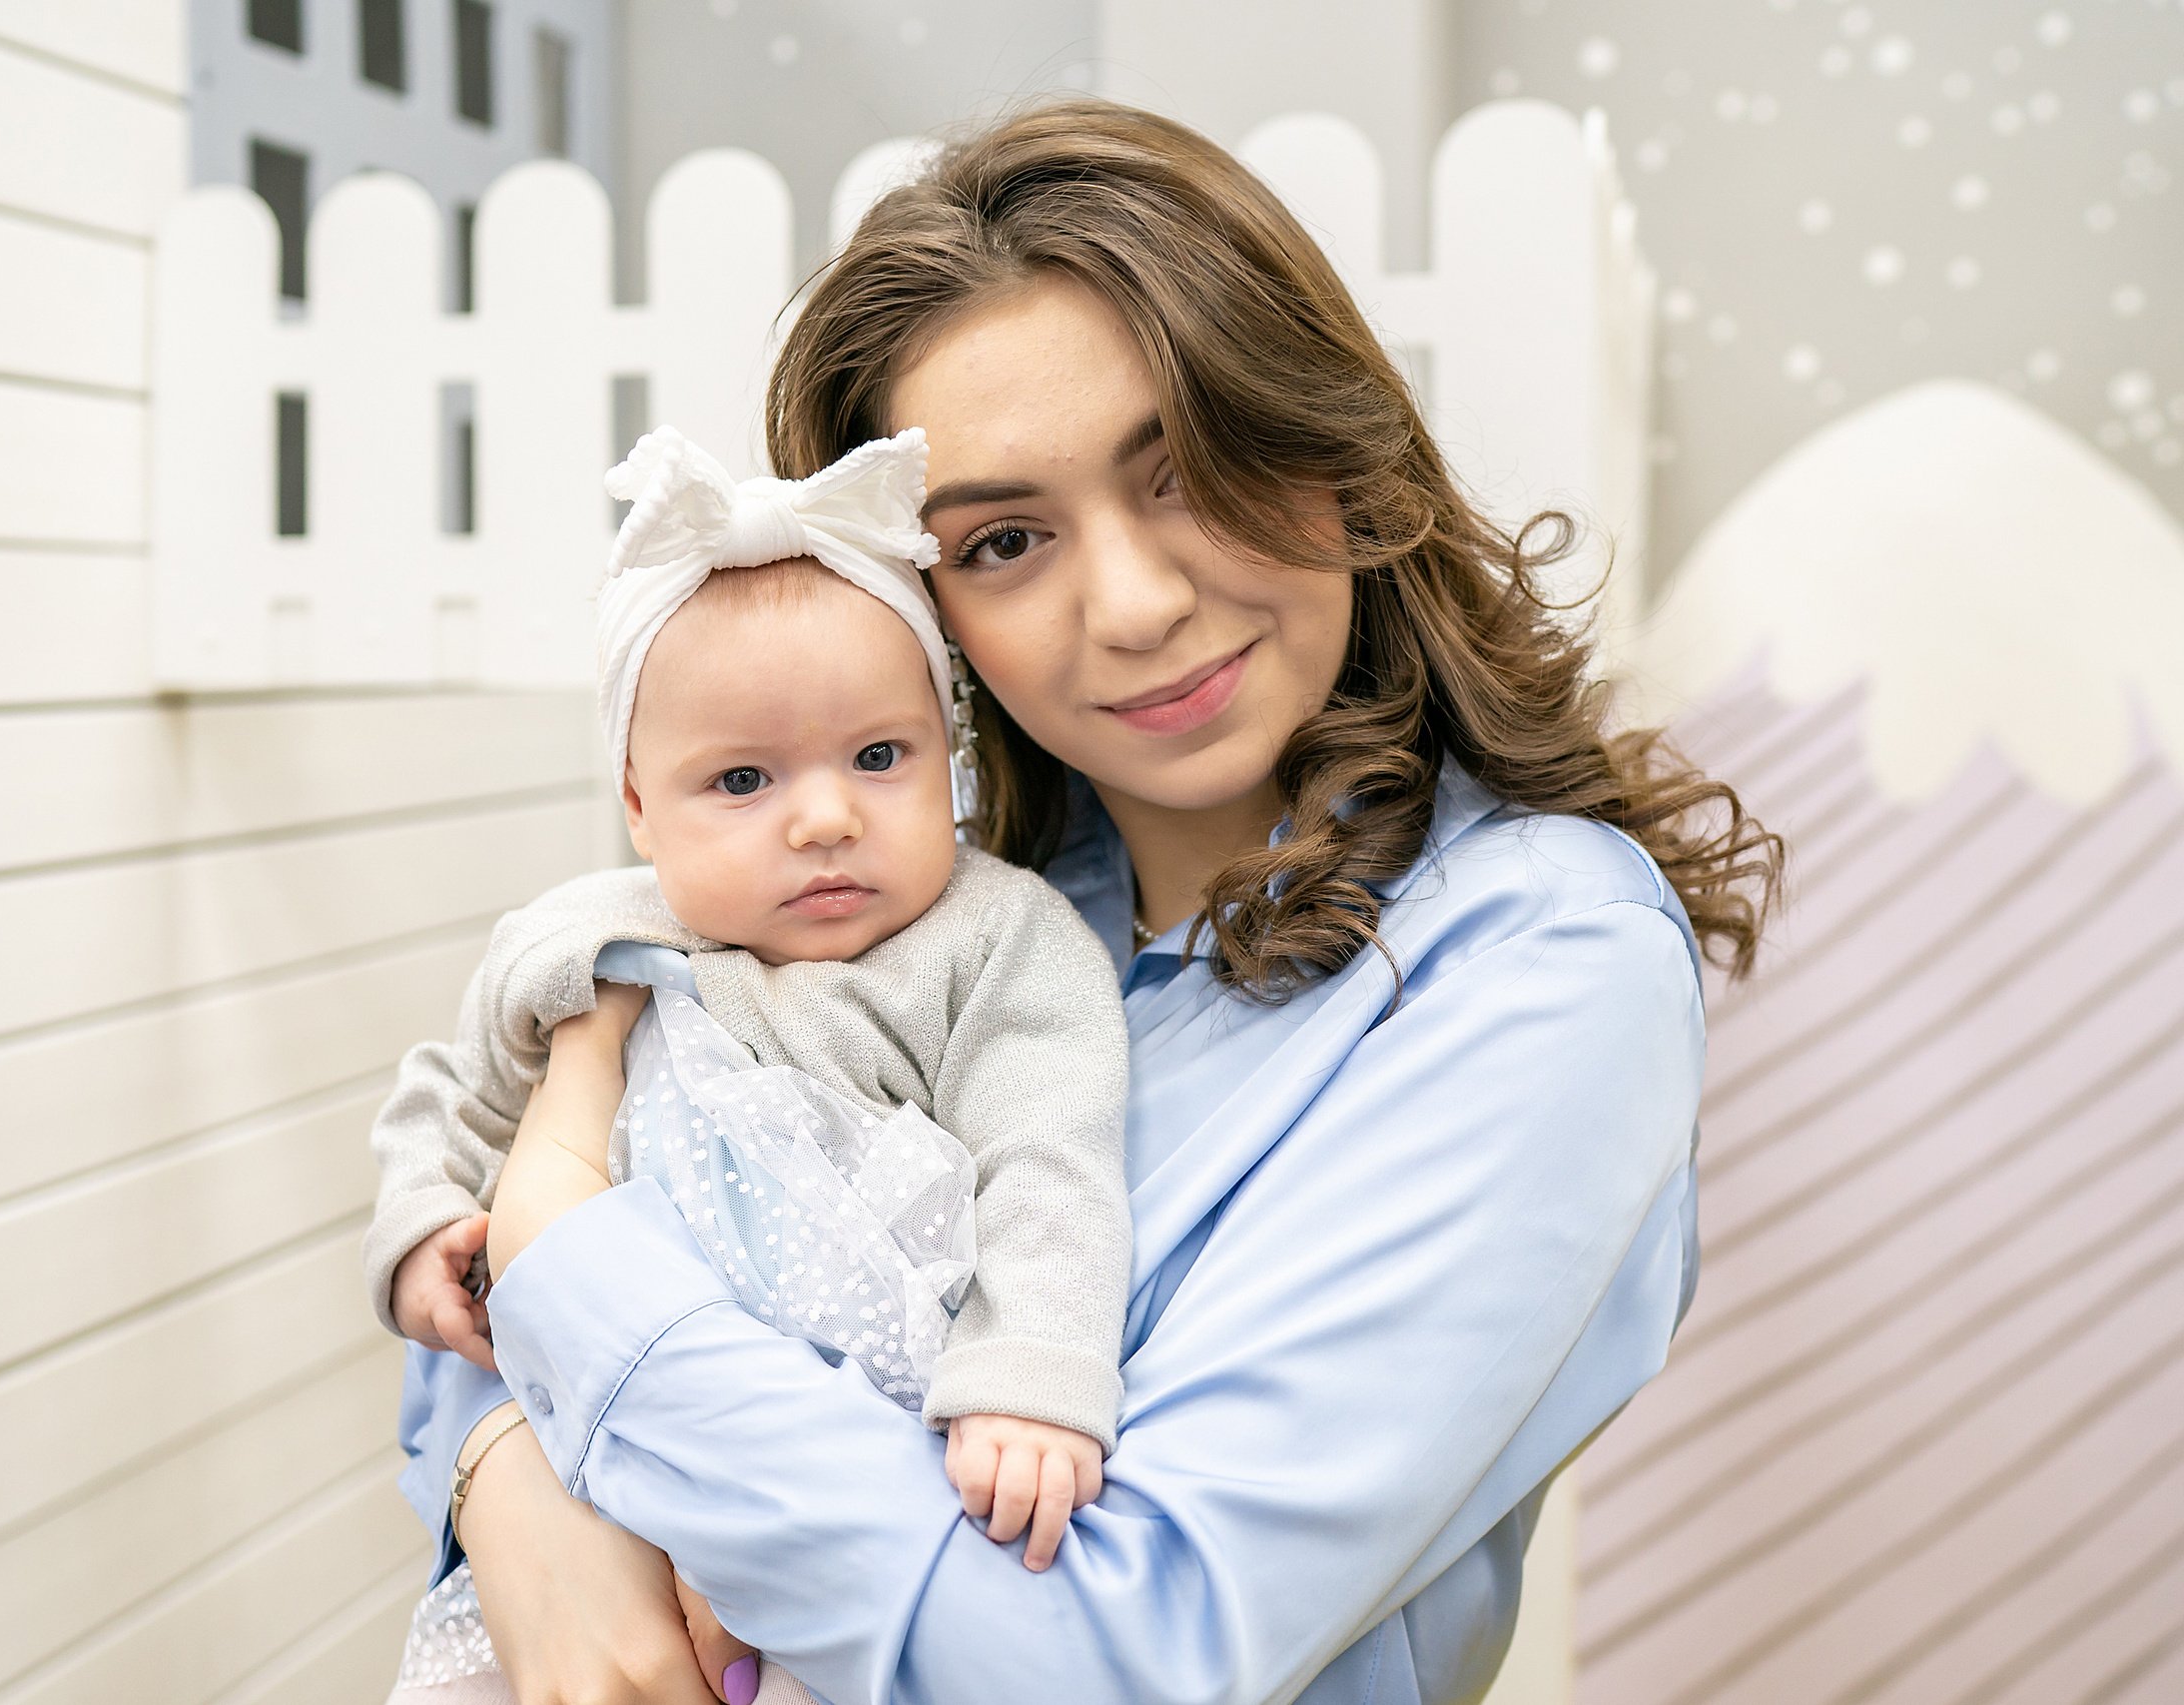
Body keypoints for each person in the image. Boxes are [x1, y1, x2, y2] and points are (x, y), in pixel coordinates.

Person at [394, 97, 1782, 1705]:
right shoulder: (934, 912)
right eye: (1002, 538)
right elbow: (479, 1258)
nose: (1131, 602)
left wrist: (572, 1277)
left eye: (1184, 469)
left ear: (1328, 442)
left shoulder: (1537, 959)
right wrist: (502, 1472)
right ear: (920, 613)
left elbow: (1117, 1651)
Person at [372, 427, 1136, 1698]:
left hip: (866, 1460)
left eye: (879, 757)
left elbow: (1051, 1163)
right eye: (740, 778)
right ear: (636, 802)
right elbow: (449, 1101)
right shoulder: (588, 938)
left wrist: (1029, 1374)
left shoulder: (995, 944)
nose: (826, 816)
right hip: (596, 1485)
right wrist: (419, 1232)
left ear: (944, 754)